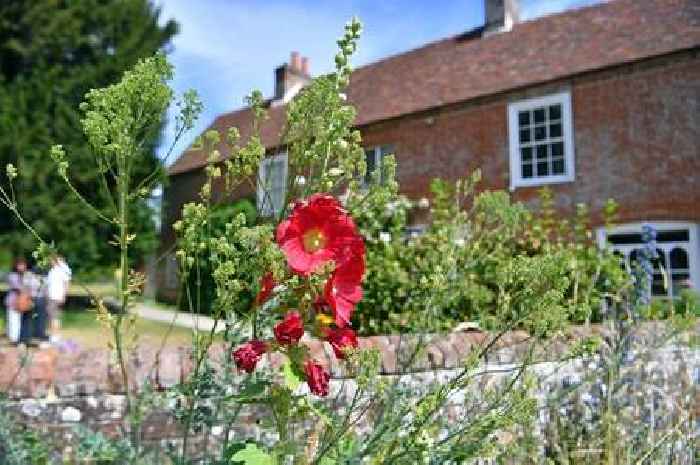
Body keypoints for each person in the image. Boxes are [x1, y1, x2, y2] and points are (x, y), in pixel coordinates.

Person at [5, 258, 31, 345]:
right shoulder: (12, 275)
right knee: (13, 320)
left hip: (22, 302)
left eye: (23, 265)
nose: (22, 267)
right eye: (20, 265)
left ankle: (17, 339)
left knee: (19, 321)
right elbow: (18, 287)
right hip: (13, 301)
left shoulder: (25, 275)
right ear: (16, 266)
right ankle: (13, 340)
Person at [46, 255, 71, 342]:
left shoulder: (62, 269)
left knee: (54, 317)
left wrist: (64, 296)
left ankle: (55, 336)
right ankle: (54, 335)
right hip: (51, 296)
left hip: (56, 296)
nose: (50, 262)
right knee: (52, 317)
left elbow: (66, 283)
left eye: (51, 260)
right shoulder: (53, 270)